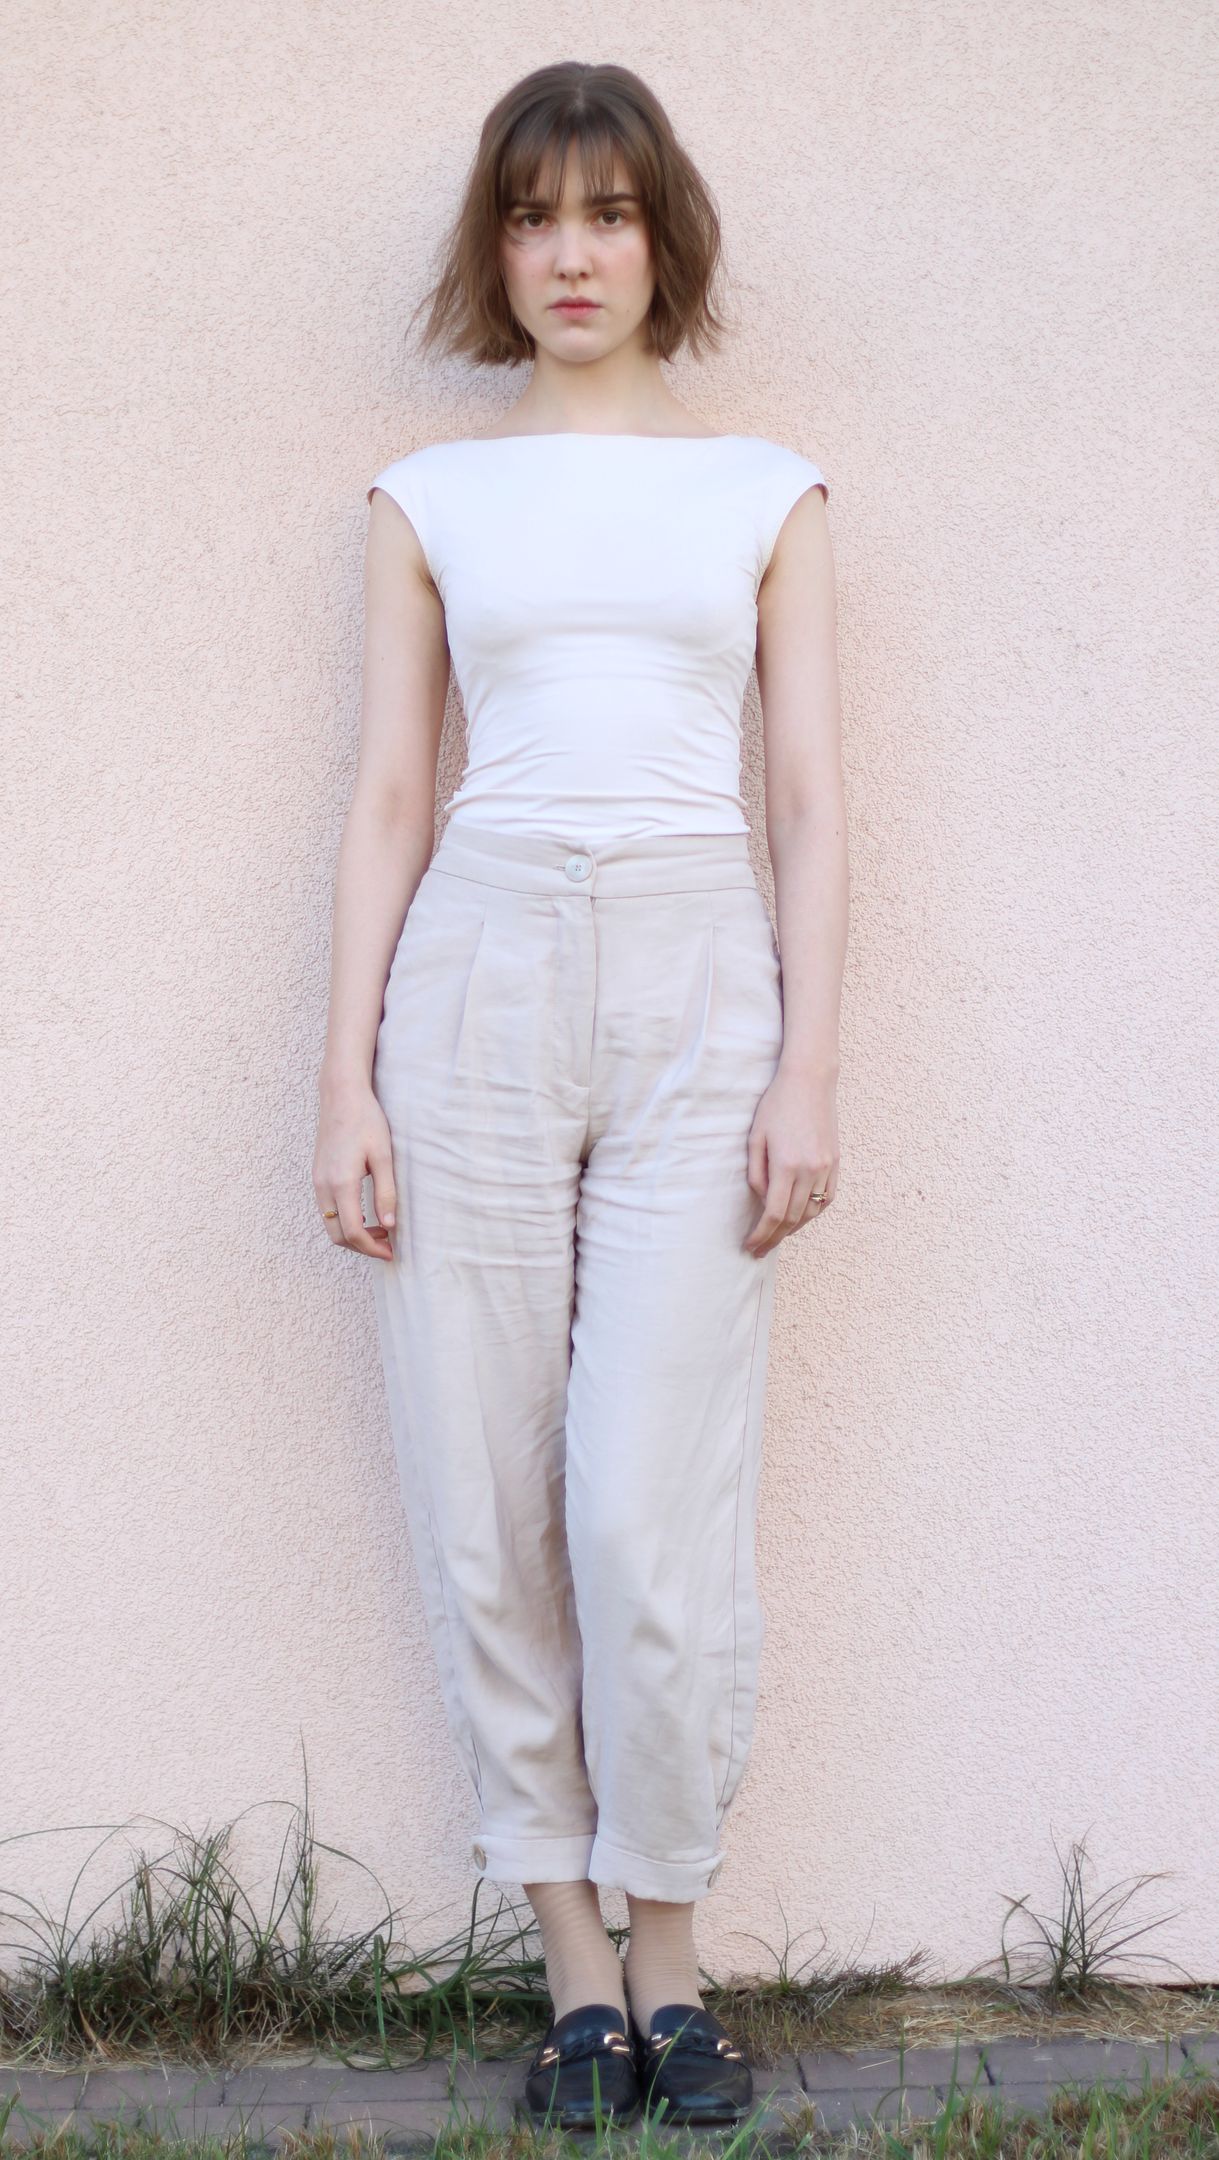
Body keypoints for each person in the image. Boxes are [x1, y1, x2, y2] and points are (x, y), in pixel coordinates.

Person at [313, 59, 848, 2132]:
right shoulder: (428, 498)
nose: (570, 254)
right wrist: (344, 1077)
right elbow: (390, 797)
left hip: (703, 977)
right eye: (534, 216)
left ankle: (675, 1958)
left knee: (643, 1506)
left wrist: (808, 1062)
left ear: (660, 239)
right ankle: (570, 1973)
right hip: (478, 973)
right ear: (496, 246)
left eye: (608, 213)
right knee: (482, 1491)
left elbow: (806, 803)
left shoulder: (766, 494)